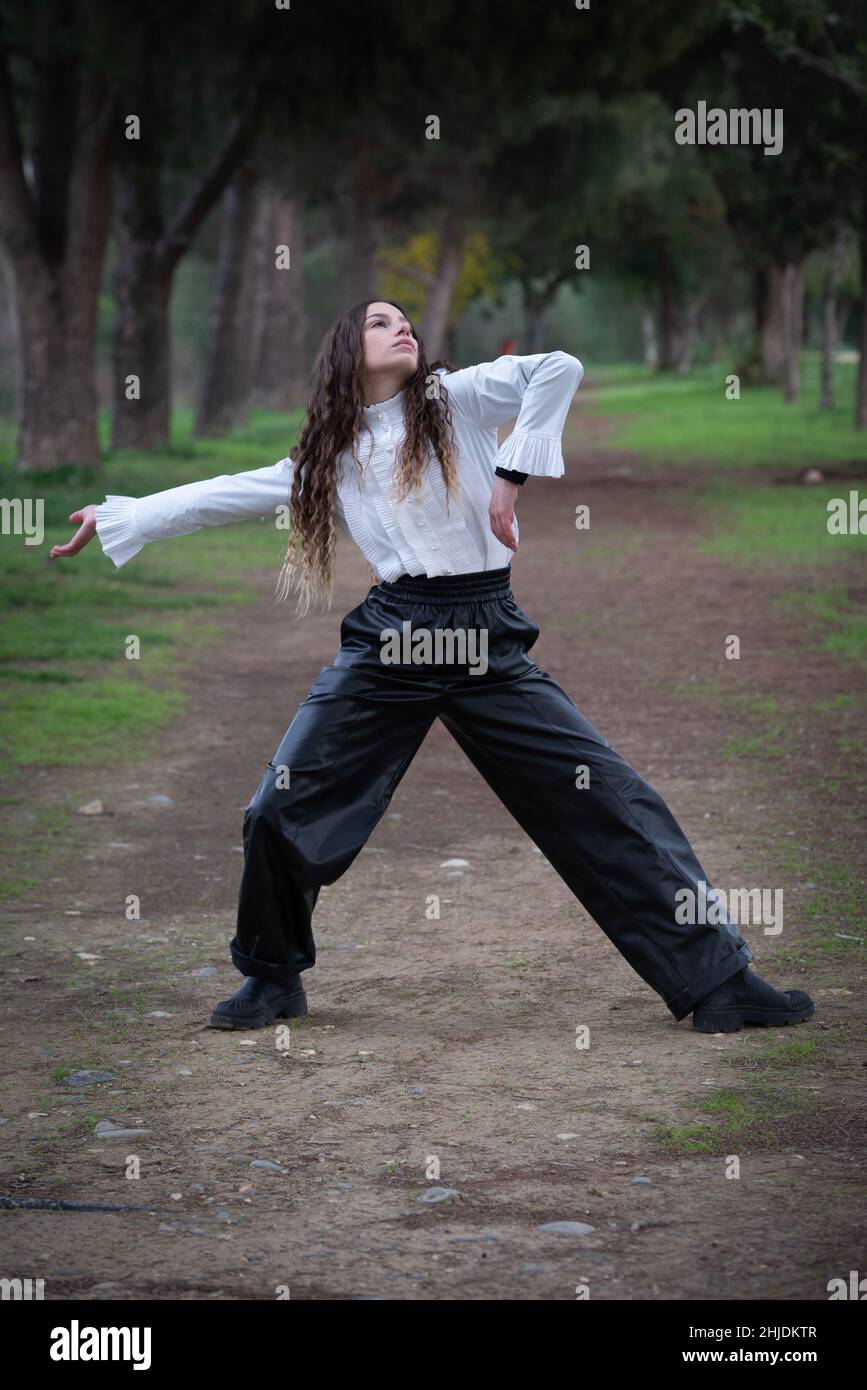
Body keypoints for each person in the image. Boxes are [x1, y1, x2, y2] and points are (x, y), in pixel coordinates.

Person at [50, 299, 814, 1037]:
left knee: (608, 797)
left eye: (405, 319)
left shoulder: (455, 398)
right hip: (391, 643)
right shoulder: (329, 453)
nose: (401, 327)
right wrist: (122, 516)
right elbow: (224, 496)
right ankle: (271, 975)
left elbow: (558, 367)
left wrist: (512, 474)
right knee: (277, 806)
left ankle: (719, 980)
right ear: (346, 353)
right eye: (378, 322)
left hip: (484, 640)